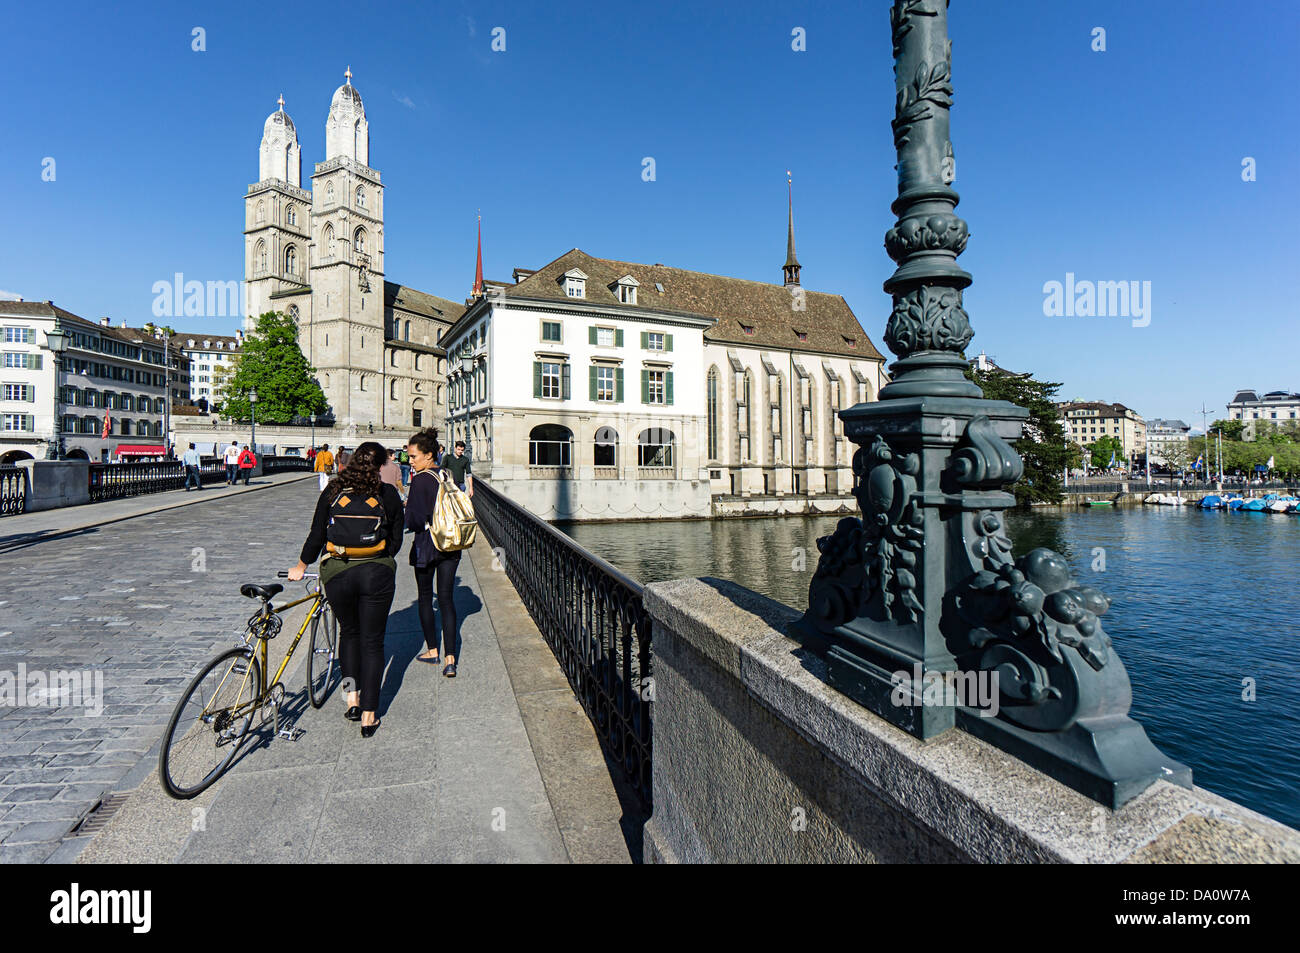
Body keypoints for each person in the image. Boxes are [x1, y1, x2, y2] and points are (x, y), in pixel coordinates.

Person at [287, 442, 403, 737]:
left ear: (350, 461)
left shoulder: (333, 490)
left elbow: (316, 534)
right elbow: (397, 540)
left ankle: (351, 698)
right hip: (376, 571)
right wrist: (379, 555)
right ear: (380, 465)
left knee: (349, 634)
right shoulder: (387, 493)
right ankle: (369, 714)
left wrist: (301, 566)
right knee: (373, 643)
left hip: (337, 571)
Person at [405, 428, 461, 677]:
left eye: (414, 456)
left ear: (428, 456)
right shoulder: (446, 474)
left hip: (428, 544)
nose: (411, 461)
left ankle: (432, 650)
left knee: (426, 597)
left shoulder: (420, 480)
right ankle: (451, 659)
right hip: (450, 542)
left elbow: (414, 521)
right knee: (447, 599)